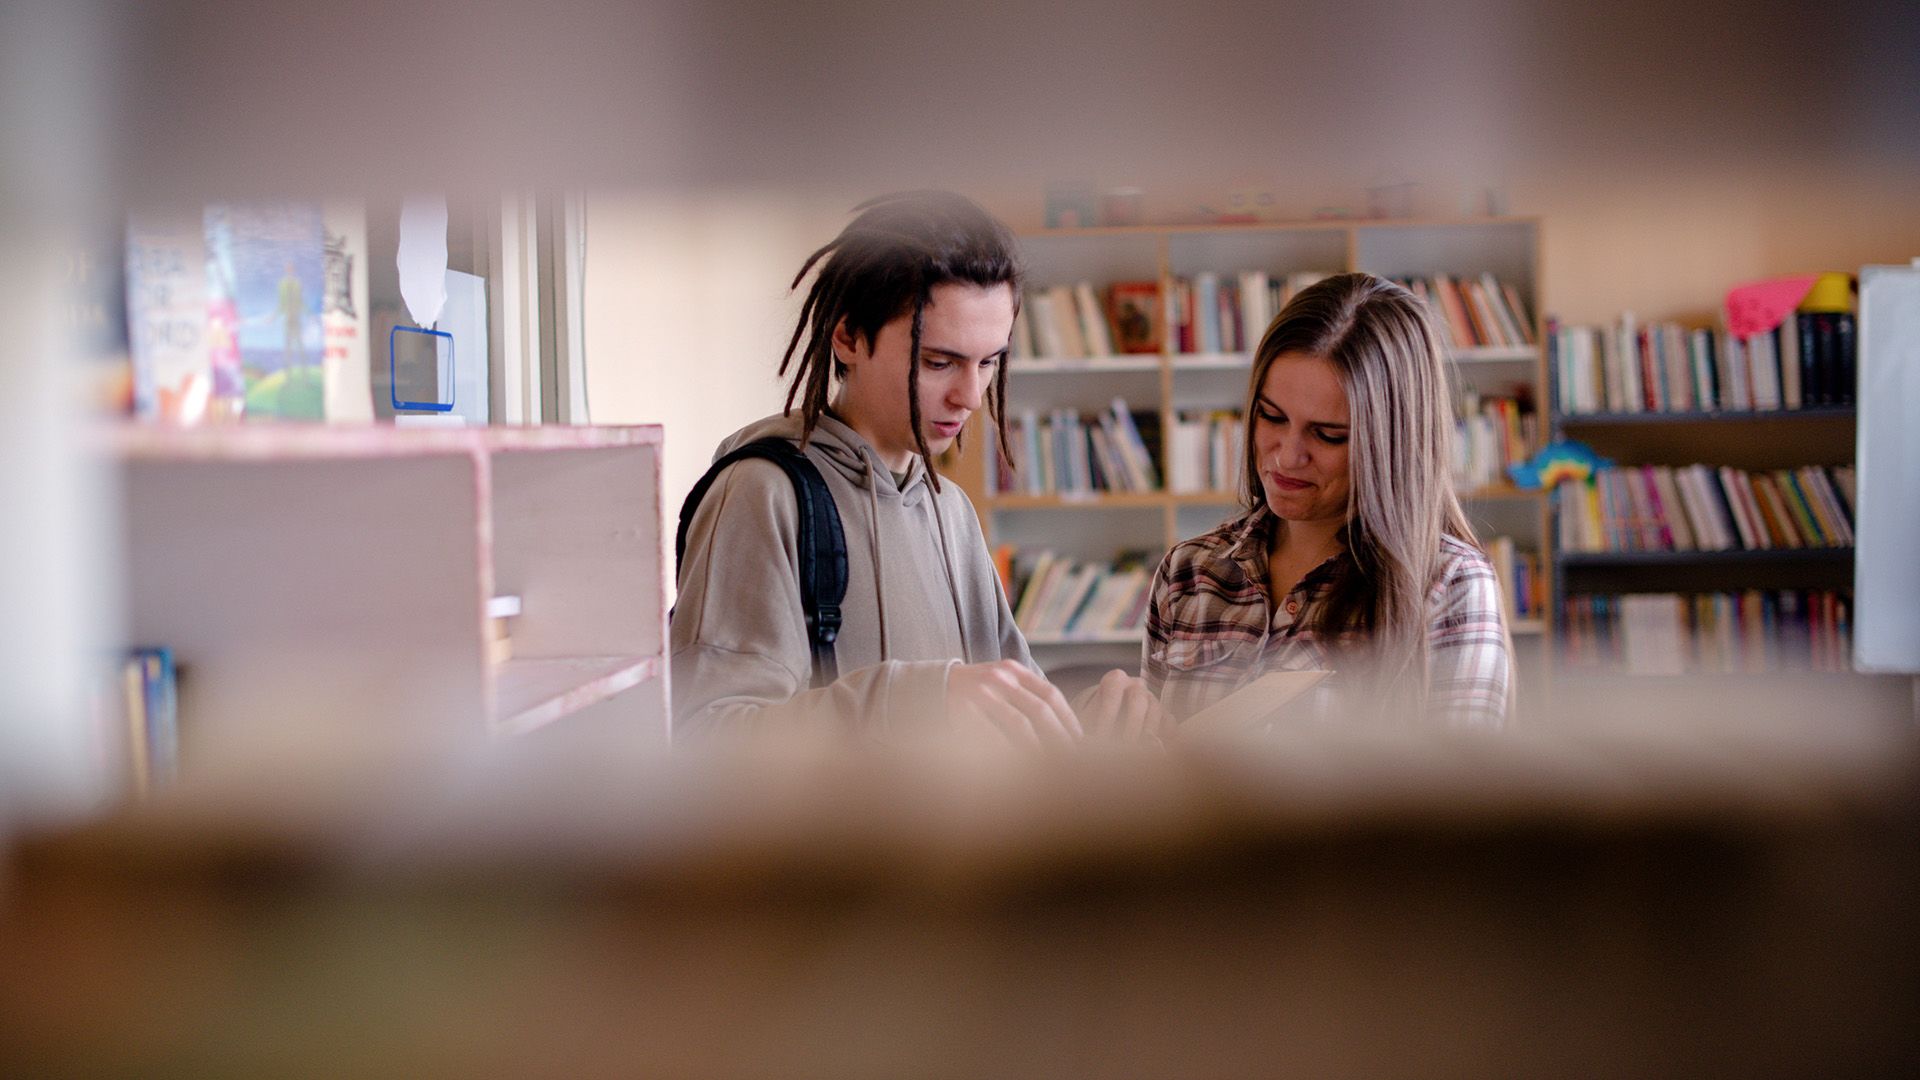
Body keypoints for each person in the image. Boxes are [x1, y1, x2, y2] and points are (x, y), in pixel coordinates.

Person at [673, 190, 1165, 745]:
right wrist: (918, 701)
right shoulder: (760, 493)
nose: (971, 397)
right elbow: (707, 738)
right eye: (939, 362)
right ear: (848, 336)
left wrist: (1090, 720)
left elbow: (1010, 723)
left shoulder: (949, 508)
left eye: (989, 362)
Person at [1143, 272, 1512, 730]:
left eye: (1328, 435)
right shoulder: (1189, 571)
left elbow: (1462, 775)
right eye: (1271, 417)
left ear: (1391, 443)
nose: (1287, 456)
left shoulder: (1449, 585)